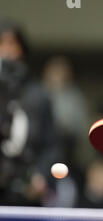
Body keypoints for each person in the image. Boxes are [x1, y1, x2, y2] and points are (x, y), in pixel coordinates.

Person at [0, 20, 60, 206]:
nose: (7, 51)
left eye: (12, 44)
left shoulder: (38, 95)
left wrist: (41, 176)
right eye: (1, 44)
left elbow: (52, 144)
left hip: (26, 193)